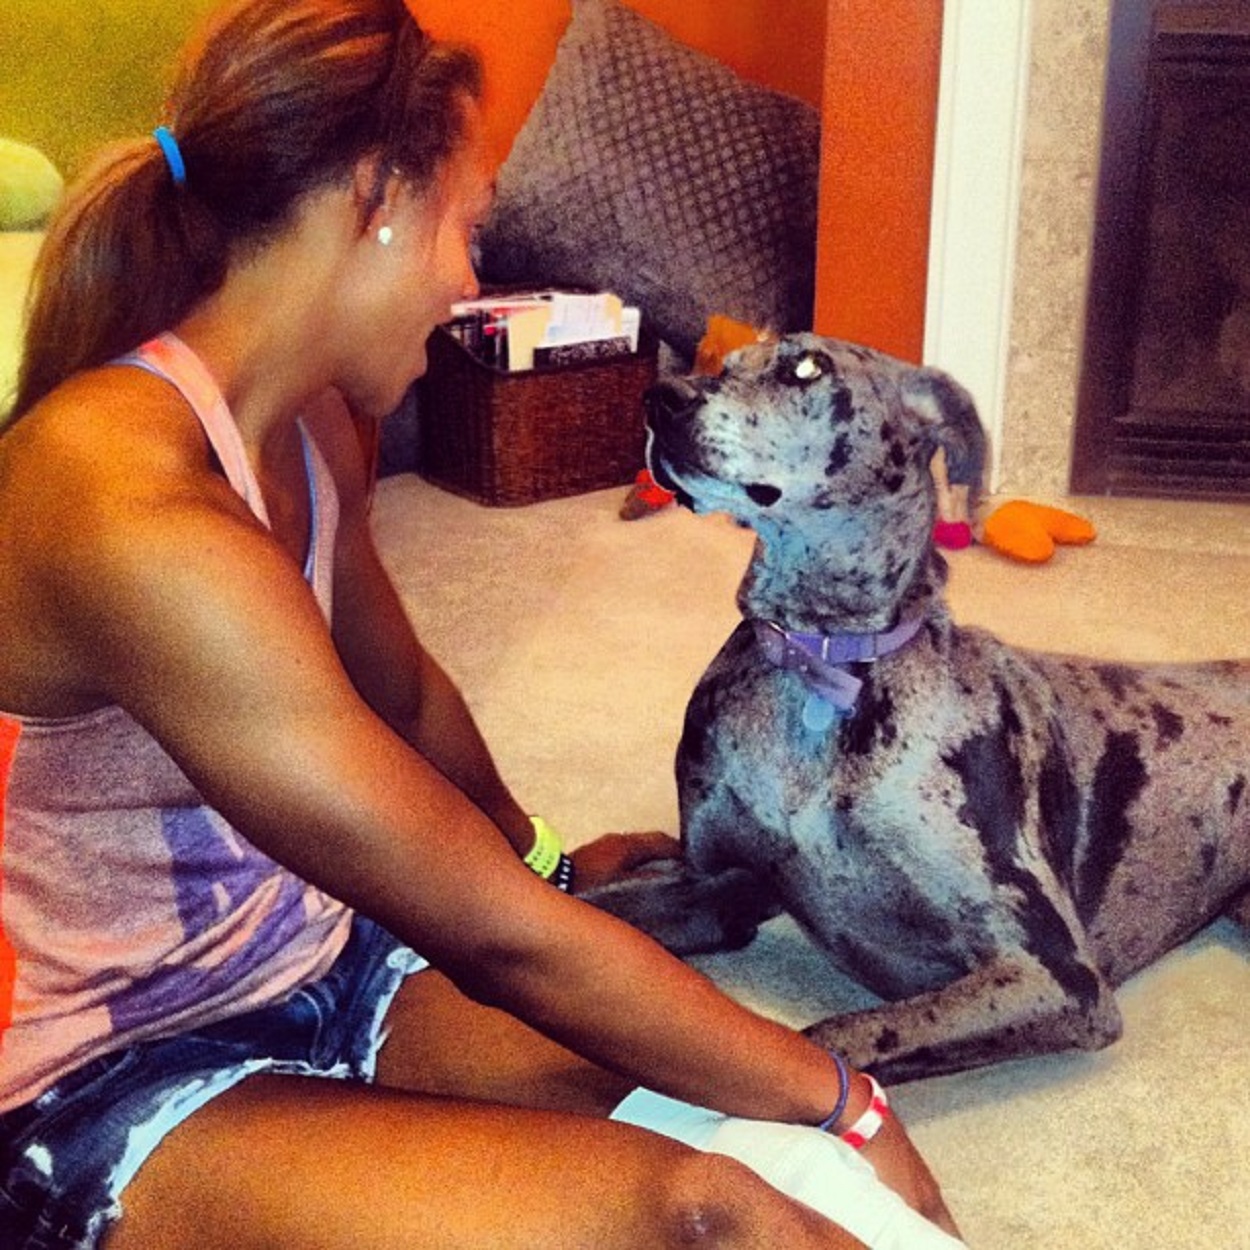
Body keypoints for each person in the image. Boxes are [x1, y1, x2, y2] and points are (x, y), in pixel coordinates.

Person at [0, 2, 966, 1246]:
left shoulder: (307, 424)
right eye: (465, 225)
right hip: (113, 1077)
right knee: (710, 1211)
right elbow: (497, 937)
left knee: (774, 1156)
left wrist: (544, 856)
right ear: (375, 200)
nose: (468, 281)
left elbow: (403, 698)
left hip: (327, 962)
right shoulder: (128, 513)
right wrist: (847, 1093)